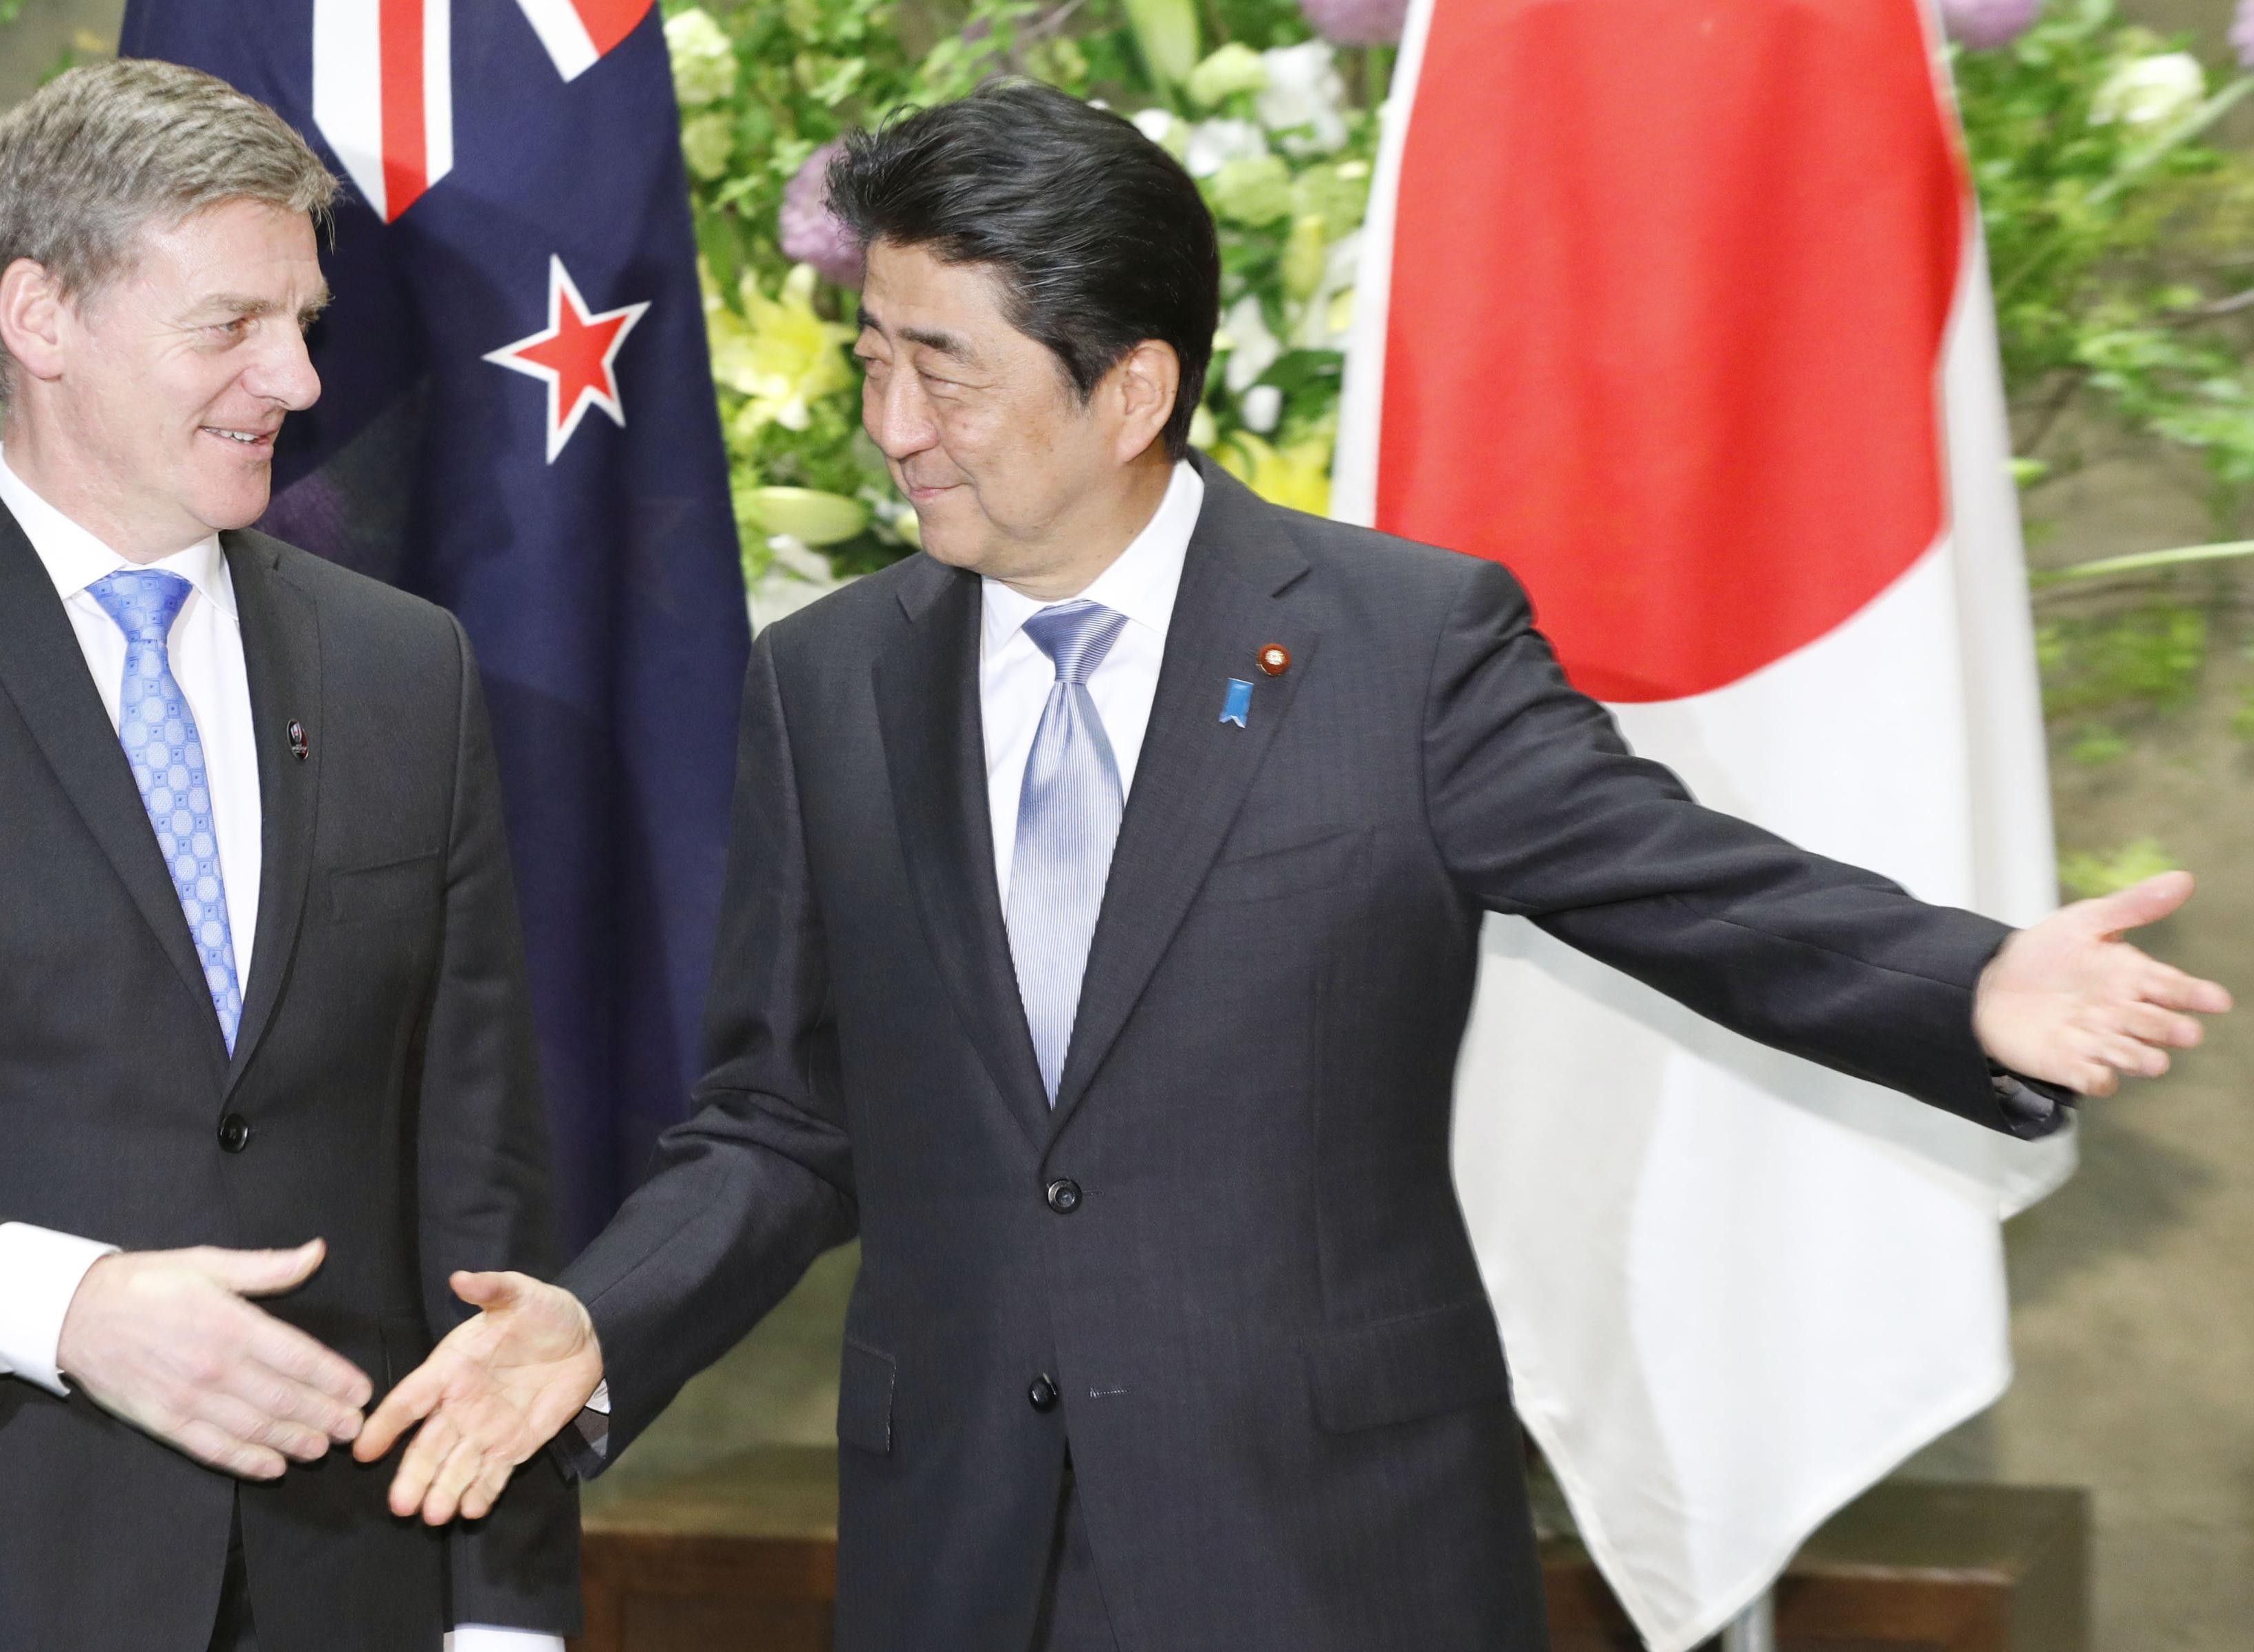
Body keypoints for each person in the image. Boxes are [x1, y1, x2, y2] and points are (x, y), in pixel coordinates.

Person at [355, 80, 2233, 1650]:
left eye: (945, 368)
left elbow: (1661, 872)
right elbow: (782, 1114)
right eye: (872, 360)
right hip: (963, 1549)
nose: (891, 425)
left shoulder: (1396, 645)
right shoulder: (828, 679)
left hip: (1326, 1545)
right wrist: (607, 1315)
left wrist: (1968, 978)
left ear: (1134, 386)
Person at [0, 60, 574, 1652]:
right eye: (231, 325)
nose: (294, 378)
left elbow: (481, 1177)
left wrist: (505, 1614)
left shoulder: (408, 668)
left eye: (303, 322)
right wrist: (66, 1307)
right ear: (41, 319)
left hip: (352, 1579)